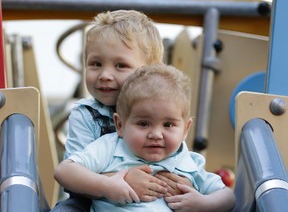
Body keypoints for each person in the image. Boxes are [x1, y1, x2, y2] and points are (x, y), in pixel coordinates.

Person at [51, 10, 191, 211]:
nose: (105, 75)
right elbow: (73, 177)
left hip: (152, 200)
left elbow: (176, 160)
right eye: (96, 64)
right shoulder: (85, 114)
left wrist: (184, 183)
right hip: (91, 198)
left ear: (149, 72)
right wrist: (123, 180)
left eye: (120, 65)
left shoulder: (163, 113)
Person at [54, 63, 235, 212]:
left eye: (168, 125)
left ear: (186, 128)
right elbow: (64, 172)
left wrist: (202, 204)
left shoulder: (189, 162)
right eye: (143, 124)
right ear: (120, 125)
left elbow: (227, 197)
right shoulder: (111, 147)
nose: (155, 134)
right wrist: (107, 185)